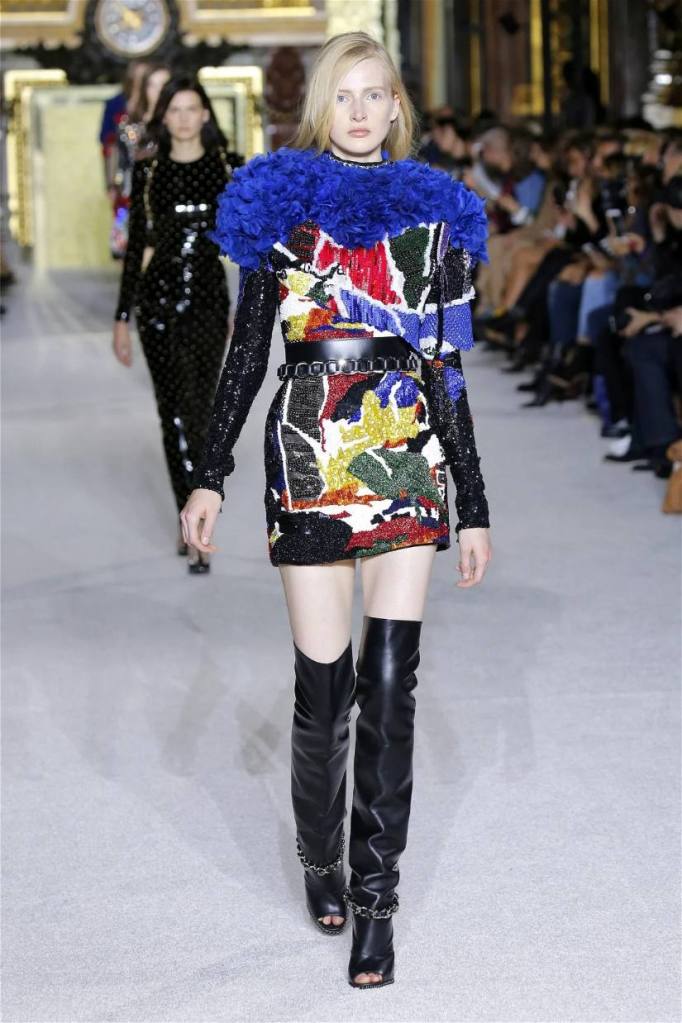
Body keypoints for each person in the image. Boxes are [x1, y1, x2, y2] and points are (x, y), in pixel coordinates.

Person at [180, 32, 492, 987]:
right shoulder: (278, 204)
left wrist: (473, 502)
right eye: (342, 96)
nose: (359, 112)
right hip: (309, 451)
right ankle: (320, 854)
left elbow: (446, 366)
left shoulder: (441, 215)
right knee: (324, 694)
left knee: (392, 685)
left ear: (398, 105)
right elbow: (246, 353)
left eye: (374, 94)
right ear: (323, 107)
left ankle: (376, 901)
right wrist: (208, 472)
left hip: (405, 452)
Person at [113, 76, 243, 572]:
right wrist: (122, 317)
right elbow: (136, 248)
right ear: (163, 116)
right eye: (175, 109)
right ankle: (189, 524)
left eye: (192, 108)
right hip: (160, 302)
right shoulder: (149, 172)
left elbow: (249, 245)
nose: (184, 118)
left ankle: (197, 510)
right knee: (171, 413)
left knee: (202, 413)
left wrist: (247, 307)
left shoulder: (228, 167)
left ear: (206, 114)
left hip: (209, 298)